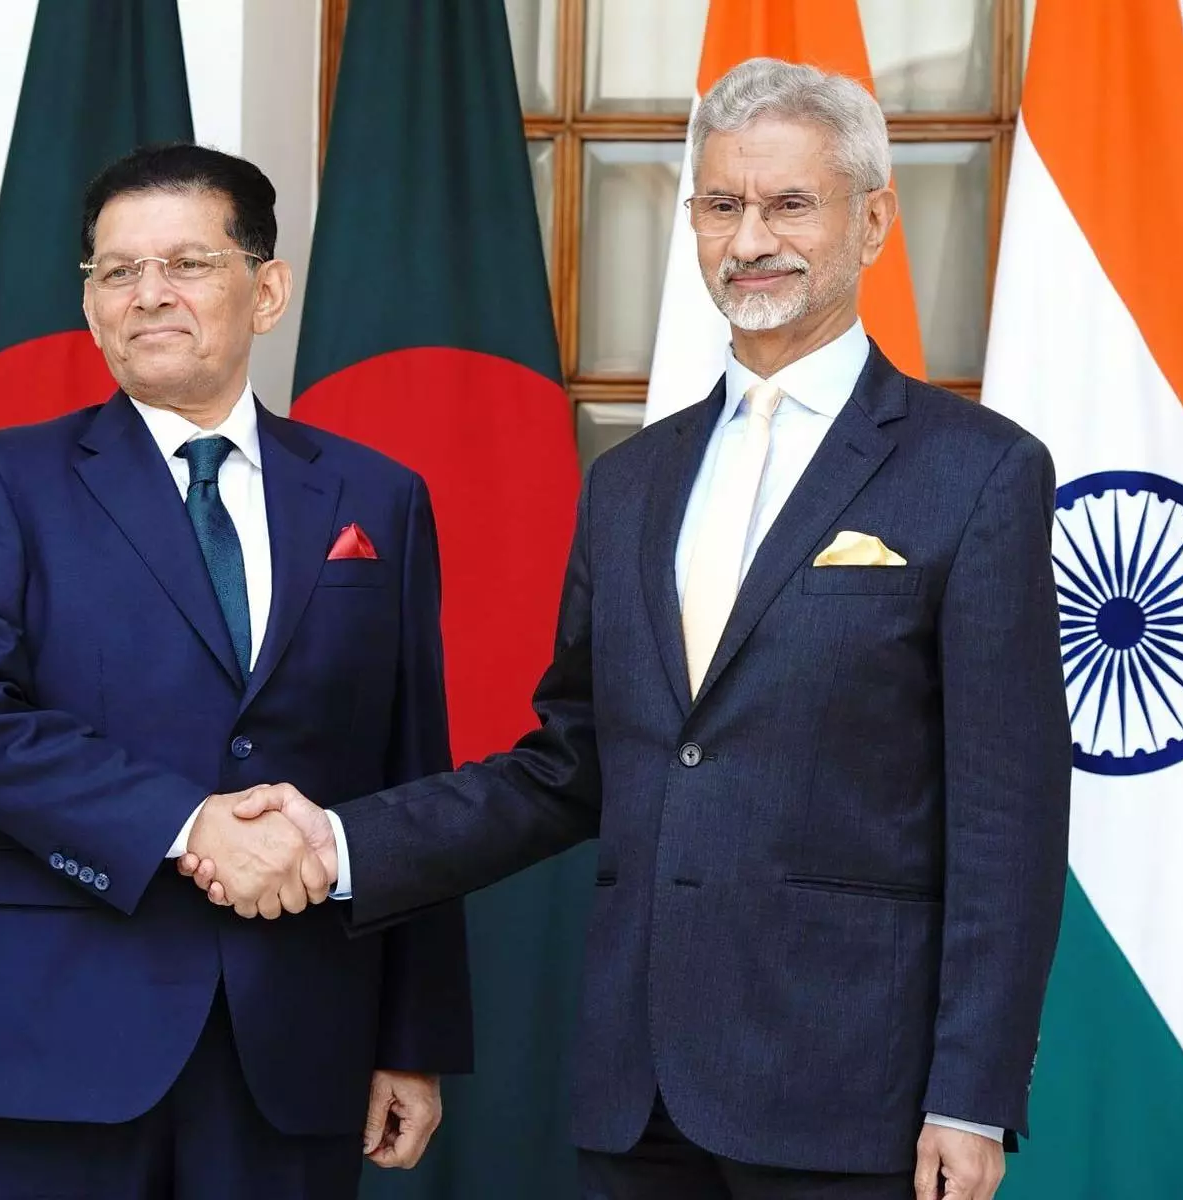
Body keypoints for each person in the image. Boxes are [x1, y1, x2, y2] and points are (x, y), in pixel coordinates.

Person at [192, 58, 1072, 1200]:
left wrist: (971, 1094)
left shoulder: (979, 471)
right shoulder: (631, 483)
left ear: (871, 222)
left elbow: (1006, 816)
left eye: (788, 204)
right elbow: (572, 766)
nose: (748, 239)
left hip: (859, 1094)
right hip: (637, 1092)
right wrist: (336, 844)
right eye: (720, 205)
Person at [0, 142, 471, 1200]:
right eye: (117, 270)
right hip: (54, 1039)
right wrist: (188, 824)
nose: (149, 294)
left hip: (299, 1040)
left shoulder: (376, 496)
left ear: (267, 290)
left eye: (188, 263)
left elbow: (410, 773)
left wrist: (413, 1036)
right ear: (91, 306)